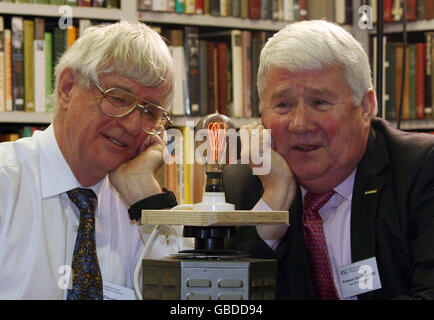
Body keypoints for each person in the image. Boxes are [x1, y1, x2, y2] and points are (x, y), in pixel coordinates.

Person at [223, 20, 434, 300]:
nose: (300, 124)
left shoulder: (420, 169)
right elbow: (223, 299)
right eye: (283, 105)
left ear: (365, 107)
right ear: (261, 115)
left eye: (320, 102)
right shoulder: (248, 186)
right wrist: (272, 206)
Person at [0, 21, 188, 300]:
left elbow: (188, 297)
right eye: (119, 99)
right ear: (67, 88)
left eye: (150, 111)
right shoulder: (6, 183)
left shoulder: (139, 206)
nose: (134, 125)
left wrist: (147, 198)